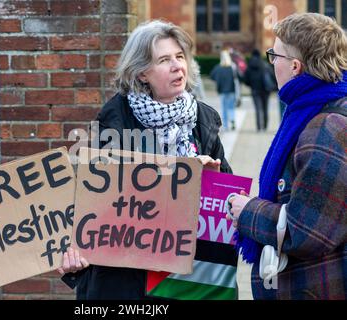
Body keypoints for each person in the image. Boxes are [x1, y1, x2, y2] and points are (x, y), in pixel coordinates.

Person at [59, 20, 234, 300]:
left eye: (180, 57)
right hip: (127, 283)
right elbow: (89, 206)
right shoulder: (115, 123)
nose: (177, 66)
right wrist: (74, 255)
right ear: (141, 73)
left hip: (188, 281)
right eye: (164, 60)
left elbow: (228, 204)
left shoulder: (203, 118)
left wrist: (214, 179)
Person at [227, 13, 347, 299]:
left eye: (274, 55)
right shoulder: (315, 109)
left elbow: (306, 231)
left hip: (316, 287)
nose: (272, 63)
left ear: (295, 66)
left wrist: (248, 211)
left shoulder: (326, 126)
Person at [243, 49, 277, 131]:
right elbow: (272, 76)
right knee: (265, 108)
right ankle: (265, 126)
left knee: (258, 108)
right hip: (266, 90)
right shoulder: (264, 64)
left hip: (255, 89)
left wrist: (251, 85)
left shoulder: (250, 66)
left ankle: (258, 127)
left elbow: (245, 79)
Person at [210, 50, 240, 131]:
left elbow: (211, 76)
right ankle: (232, 119)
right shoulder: (232, 67)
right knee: (231, 107)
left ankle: (226, 126)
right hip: (231, 90)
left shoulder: (218, 68)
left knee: (224, 109)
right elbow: (238, 77)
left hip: (222, 91)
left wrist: (218, 80)